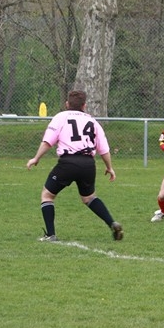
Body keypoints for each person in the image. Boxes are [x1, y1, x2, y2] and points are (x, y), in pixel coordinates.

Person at [26, 90, 123, 241]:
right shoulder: (93, 122)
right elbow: (104, 149)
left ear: (67, 104)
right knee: (89, 197)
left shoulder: (61, 117)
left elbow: (48, 141)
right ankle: (112, 223)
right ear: (84, 106)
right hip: (88, 164)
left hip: (68, 163)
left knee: (47, 195)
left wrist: (36, 158)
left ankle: (51, 235)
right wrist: (109, 167)